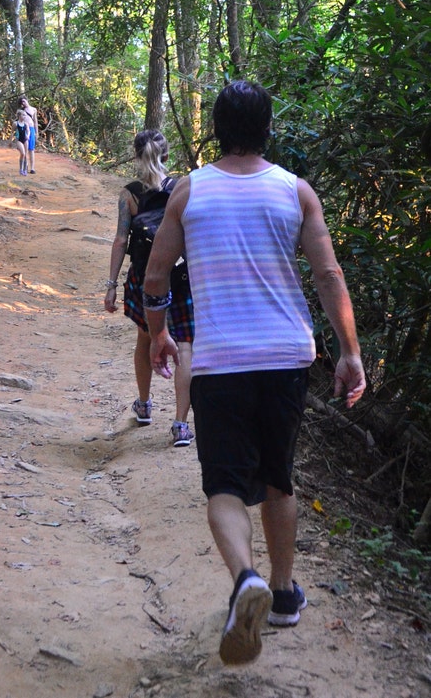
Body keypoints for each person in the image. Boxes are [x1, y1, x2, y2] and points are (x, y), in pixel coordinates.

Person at [143, 80, 366, 666]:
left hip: (219, 362)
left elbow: (156, 275)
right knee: (278, 478)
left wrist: (161, 333)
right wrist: (350, 352)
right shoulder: (295, 191)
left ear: (216, 129)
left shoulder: (188, 192)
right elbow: (328, 275)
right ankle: (286, 593)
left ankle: (246, 579)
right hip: (286, 357)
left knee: (223, 486)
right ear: (269, 128)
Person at [104, 128, 194, 444]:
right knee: (184, 345)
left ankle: (144, 405)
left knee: (146, 339)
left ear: (136, 156)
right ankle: (181, 424)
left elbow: (120, 240)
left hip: (144, 278)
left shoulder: (128, 195)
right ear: (166, 155)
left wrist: (112, 284)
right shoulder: (182, 188)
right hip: (180, 277)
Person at [17, 95, 38, 173]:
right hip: (24, 129)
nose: (23, 103)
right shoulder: (21, 111)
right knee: (25, 149)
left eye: (24, 101)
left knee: (31, 149)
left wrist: (36, 132)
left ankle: (32, 168)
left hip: (31, 129)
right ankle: (25, 165)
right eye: (21, 102)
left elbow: (35, 121)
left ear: (26, 100)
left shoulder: (34, 109)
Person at [12, 111, 30, 175]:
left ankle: (25, 170)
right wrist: (10, 141)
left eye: (25, 115)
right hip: (18, 140)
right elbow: (12, 132)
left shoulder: (26, 124)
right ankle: (21, 169)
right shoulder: (15, 123)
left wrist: (28, 135)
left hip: (25, 140)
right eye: (23, 115)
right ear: (19, 115)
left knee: (26, 155)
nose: (24, 116)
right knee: (22, 153)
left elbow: (28, 131)